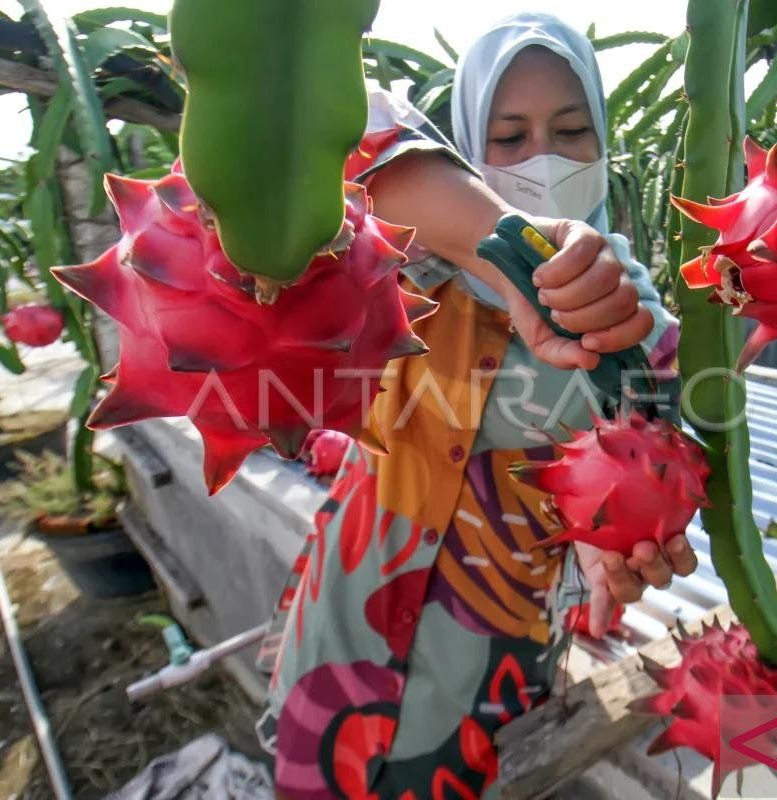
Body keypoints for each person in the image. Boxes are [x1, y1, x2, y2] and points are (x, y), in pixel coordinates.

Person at [256, 13, 698, 799]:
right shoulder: (400, 257)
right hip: (343, 632)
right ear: (464, 144)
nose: (545, 158)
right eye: (509, 137)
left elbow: (665, 450)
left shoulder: (631, 317)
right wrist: (510, 244)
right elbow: (324, 121)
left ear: (603, 143)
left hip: (484, 667)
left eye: (571, 131)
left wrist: (616, 541)